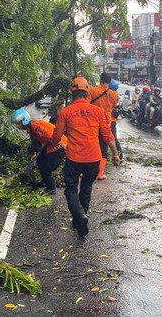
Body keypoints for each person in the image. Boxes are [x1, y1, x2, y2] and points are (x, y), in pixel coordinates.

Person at [51, 77, 120, 238]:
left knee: (70, 189)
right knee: (87, 187)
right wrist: (115, 154)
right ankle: (81, 218)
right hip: (94, 158)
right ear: (87, 92)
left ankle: (80, 216)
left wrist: (58, 144)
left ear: (72, 92)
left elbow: (56, 135)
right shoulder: (98, 111)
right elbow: (108, 135)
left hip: (74, 158)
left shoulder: (65, 112)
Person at [11, 108, 67, 195]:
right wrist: (34, 153)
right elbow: (35, 142)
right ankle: (45, 181)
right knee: (40, 160)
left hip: (58, 145)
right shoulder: (32, 127)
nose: (18, 126)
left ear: (24, 120)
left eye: (18, 124)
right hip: (51, 144)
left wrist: (65, 149)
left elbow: (51, 136)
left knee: (45, 167)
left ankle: (51, 188)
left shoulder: (37, 127)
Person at [88, 73, 120, 180]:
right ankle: (100, 173)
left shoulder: (92, 91)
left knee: (91, 145)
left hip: (93, 123)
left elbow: (87, 105)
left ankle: (84, 171)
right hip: (107, 123)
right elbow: (113, 106)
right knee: (103, 147)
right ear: (109, 81)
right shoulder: (114, 94)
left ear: (100, 80)